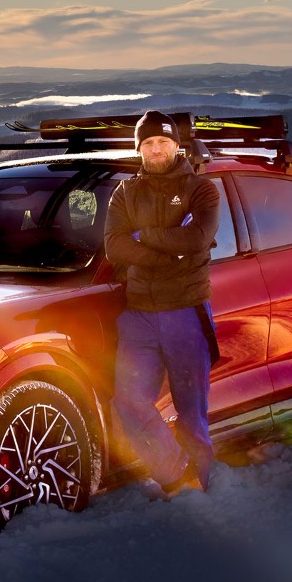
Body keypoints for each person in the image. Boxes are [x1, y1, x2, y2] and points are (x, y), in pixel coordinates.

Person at [104, 110, 221, 497]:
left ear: (177, 144)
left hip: (186, 310)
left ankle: (202, 490)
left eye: (163, 141)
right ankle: (177, 476)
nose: (156, 149)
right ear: (139, 148)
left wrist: (143, 236)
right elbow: (115, 246)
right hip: (138, 314)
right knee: (129, 402)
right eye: (148, 142)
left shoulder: (201, 190)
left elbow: (197, 239)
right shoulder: (125, 192)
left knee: (191, 412)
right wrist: (168, 251)